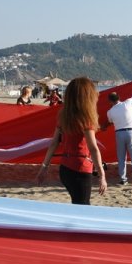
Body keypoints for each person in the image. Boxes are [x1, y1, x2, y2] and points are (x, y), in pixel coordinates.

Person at [36, 77, 107, 205]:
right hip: (81, 168)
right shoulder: (86, 118)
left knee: (77, 204)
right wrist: (102, 176)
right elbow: (93, 148)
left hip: (65, 169)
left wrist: (44, 167)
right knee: (83, 207)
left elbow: (54, 143)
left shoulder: (64, 115)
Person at [102, 77, 132, 185]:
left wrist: (103, 126)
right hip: (131, 132)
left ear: (110, 101)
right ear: (119, 98)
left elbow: (110, 122)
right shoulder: (127, 103)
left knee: (121, 158)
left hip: (119, 133)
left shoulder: (110, 112)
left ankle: (123, 179)